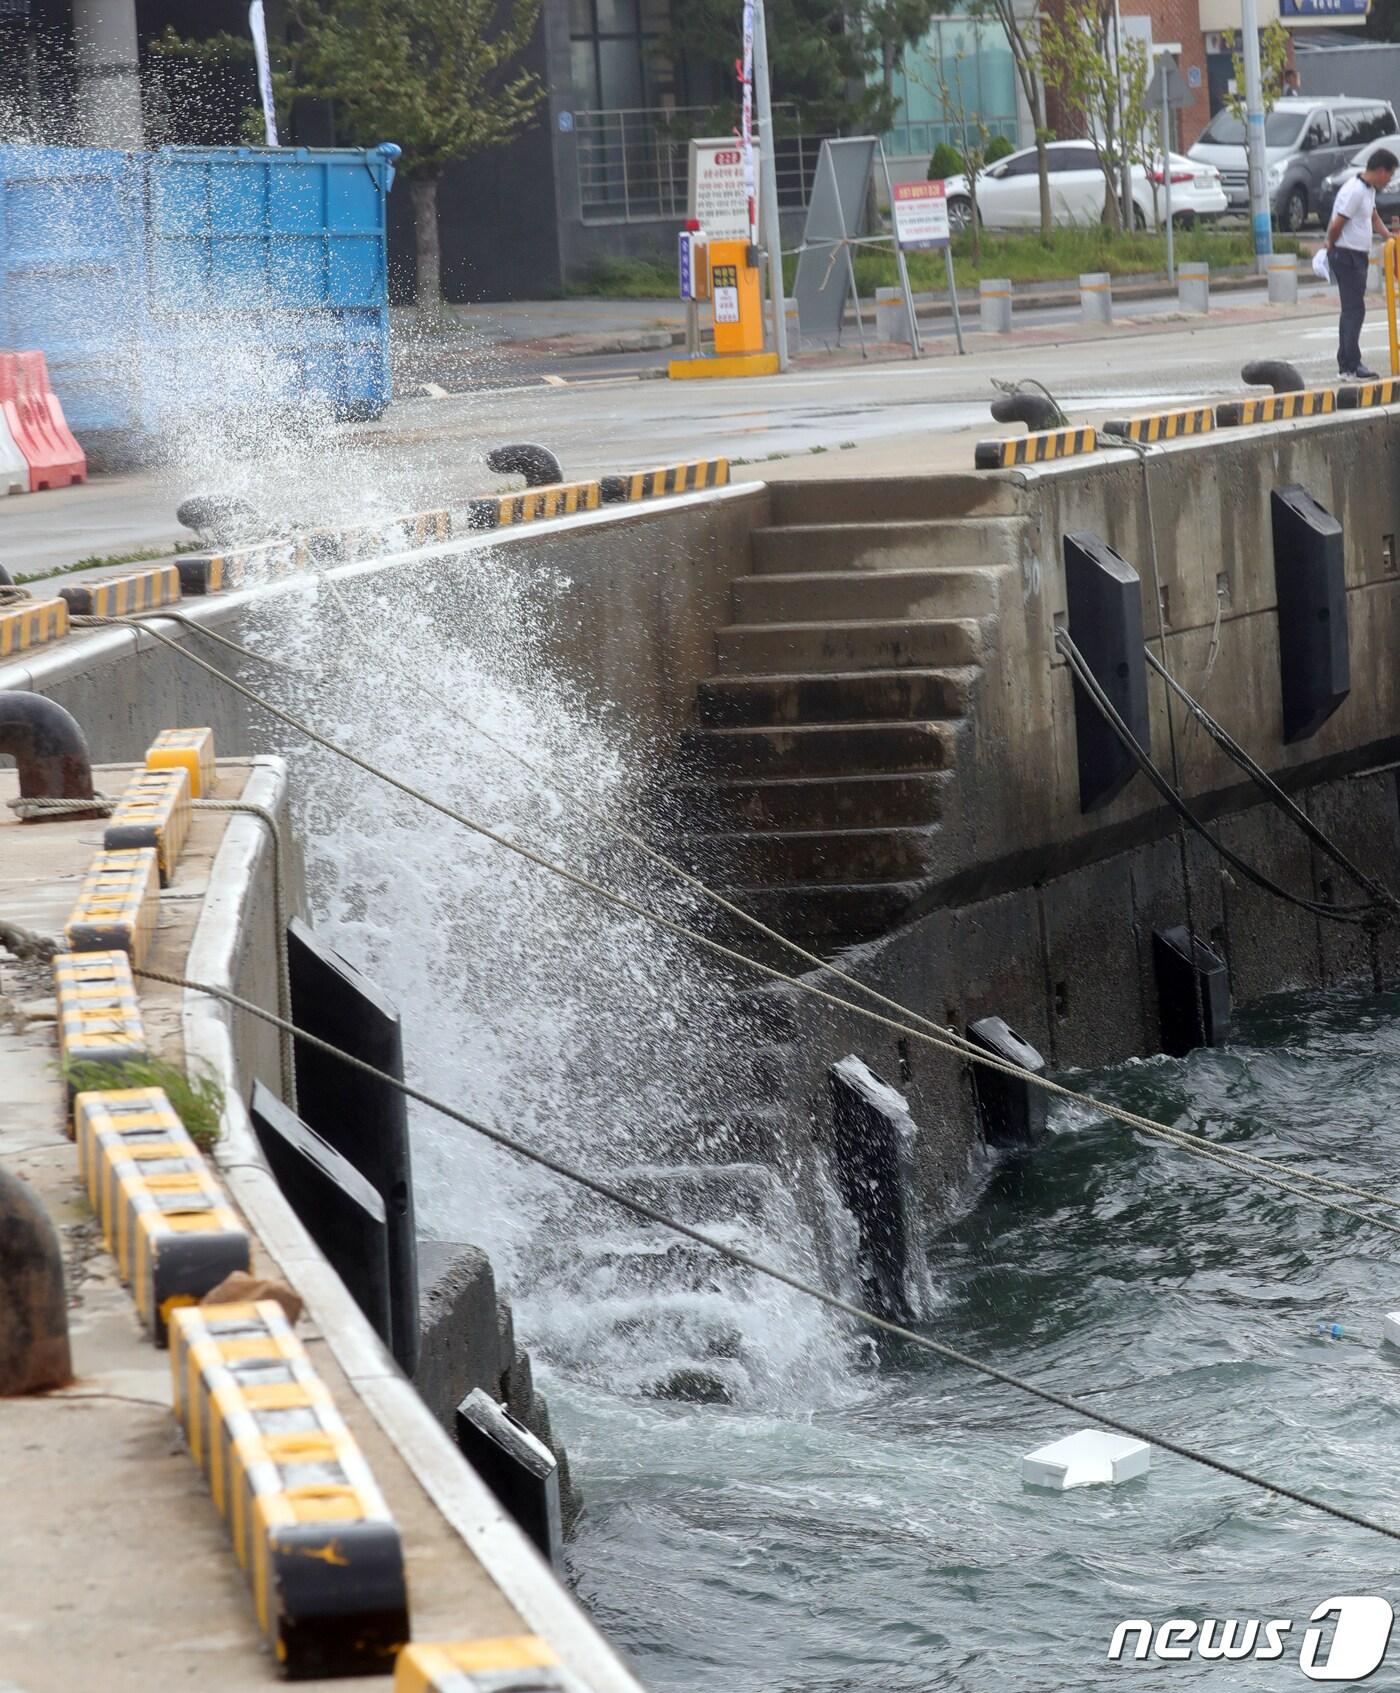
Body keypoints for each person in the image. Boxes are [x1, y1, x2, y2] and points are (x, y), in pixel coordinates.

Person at [1326, 148, 1399, 380]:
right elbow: (1338, 223)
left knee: (1352, 310)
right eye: (1389, 175)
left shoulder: (1368, 190)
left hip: (1357, 255)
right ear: (1380, 171)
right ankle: (1350, 365)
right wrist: (1331, 245)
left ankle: (1346, 363)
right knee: (1354, 310)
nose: (1388, 180)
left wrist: (1387, 235)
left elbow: (1373, 216)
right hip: (1347, 254)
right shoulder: (1355, 190)